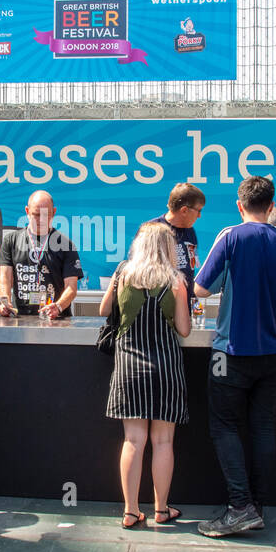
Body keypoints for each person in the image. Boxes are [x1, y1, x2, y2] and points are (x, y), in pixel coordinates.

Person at [193, 176, 276, 537]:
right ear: (272, 206)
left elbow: (200, 288)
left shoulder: (229, 237)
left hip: (230, 351)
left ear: (239, 204)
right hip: (274, 352)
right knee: (263, 426)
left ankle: (240, 506)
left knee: (224, 426)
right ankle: (256, 505)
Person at [100, 222, 192, 529]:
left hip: (128, 367)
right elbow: (184, 329)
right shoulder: (176, 281)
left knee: (133, 440)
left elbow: (104, 310)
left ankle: (130, 511)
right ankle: (161, 510)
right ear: (167, 248)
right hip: (165, 366)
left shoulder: (123, 274)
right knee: (163, 442)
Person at [0, 190, 83, 318]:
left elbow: (71, 287)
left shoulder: (66, 245)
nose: (41, 219)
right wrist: (5, 302)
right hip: (21, 318)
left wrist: (58, 306)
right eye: (36, 214)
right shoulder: (11, 241)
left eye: (46, 214)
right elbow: (5, 278)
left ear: (54, 212)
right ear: (27, 211)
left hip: (56, 319)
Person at [150, 182, 205, 309]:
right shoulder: (152, 231)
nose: (200, 215)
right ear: (184, 210)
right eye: (199, 210)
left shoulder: (190, 231)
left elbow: (189, 277)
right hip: (159, 313)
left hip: (184, 312)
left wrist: (198, 310)